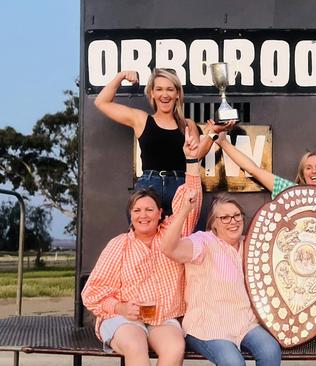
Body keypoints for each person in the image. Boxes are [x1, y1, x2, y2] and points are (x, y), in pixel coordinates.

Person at [81, 128, 202, 366]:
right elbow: (92, 293)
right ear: (130, 215)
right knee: (136, 347)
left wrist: (191, 161)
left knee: (175, 348)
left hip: (163, 317)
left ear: (160, 214)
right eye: (137, 210)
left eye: (149, 210)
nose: (143, 215)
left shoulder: (171, 234)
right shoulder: (119, 245)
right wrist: (120, 306)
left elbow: (191, 199)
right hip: (123, 318)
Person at [161, 193, 282, 366]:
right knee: (233, 363)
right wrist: (184, 211)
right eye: (224, 218)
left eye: (236, 215)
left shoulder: (250, 244)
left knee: (270, 350)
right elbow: (168, 248)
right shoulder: (203, 242)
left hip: (245, 324)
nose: (233, 221)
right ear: (214, 224)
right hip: (207, 328)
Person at [94, 69, 232, 216]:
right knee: (146, 236)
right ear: (152, 93)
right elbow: (101, 102)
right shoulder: (141, 119)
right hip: (149, 187)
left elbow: (196, 156)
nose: (164, 95)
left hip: (181, 186)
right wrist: (121, 76)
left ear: (177, 94)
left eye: (170, 89)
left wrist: (212, 133)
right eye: (159, 89)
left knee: (184, 236)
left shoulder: (188, 125)